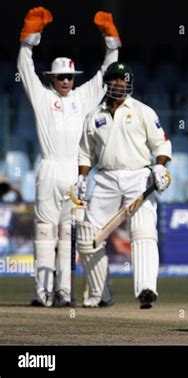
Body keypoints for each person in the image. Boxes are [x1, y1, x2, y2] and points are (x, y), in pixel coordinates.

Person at [17, 6, 121, 307]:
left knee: (68, 235)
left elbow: (106, 74)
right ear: (51, 77)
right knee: (45, 233)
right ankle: (42, 291)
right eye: (60, 77)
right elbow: (25, 70)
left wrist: (110, 41)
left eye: (69, 77)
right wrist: (28, 42)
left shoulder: (83, 97)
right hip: (49, 167)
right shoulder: (42, 96)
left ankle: (63, 291)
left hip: (76, 173)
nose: (65, 81)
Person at [76, 62, 172, 309]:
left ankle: (146, 289)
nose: (119, 83)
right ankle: (101, 294)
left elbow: (161, 145)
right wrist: (82, 178)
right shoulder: (94, 116)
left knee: (143, 231)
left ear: (129, 83)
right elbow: (85, 154)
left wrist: (160, 166)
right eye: (114, 79)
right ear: (106, 83)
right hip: (106, 179)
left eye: (123, 79)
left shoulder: (142, 111)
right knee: (88, 237)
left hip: (138, 177)